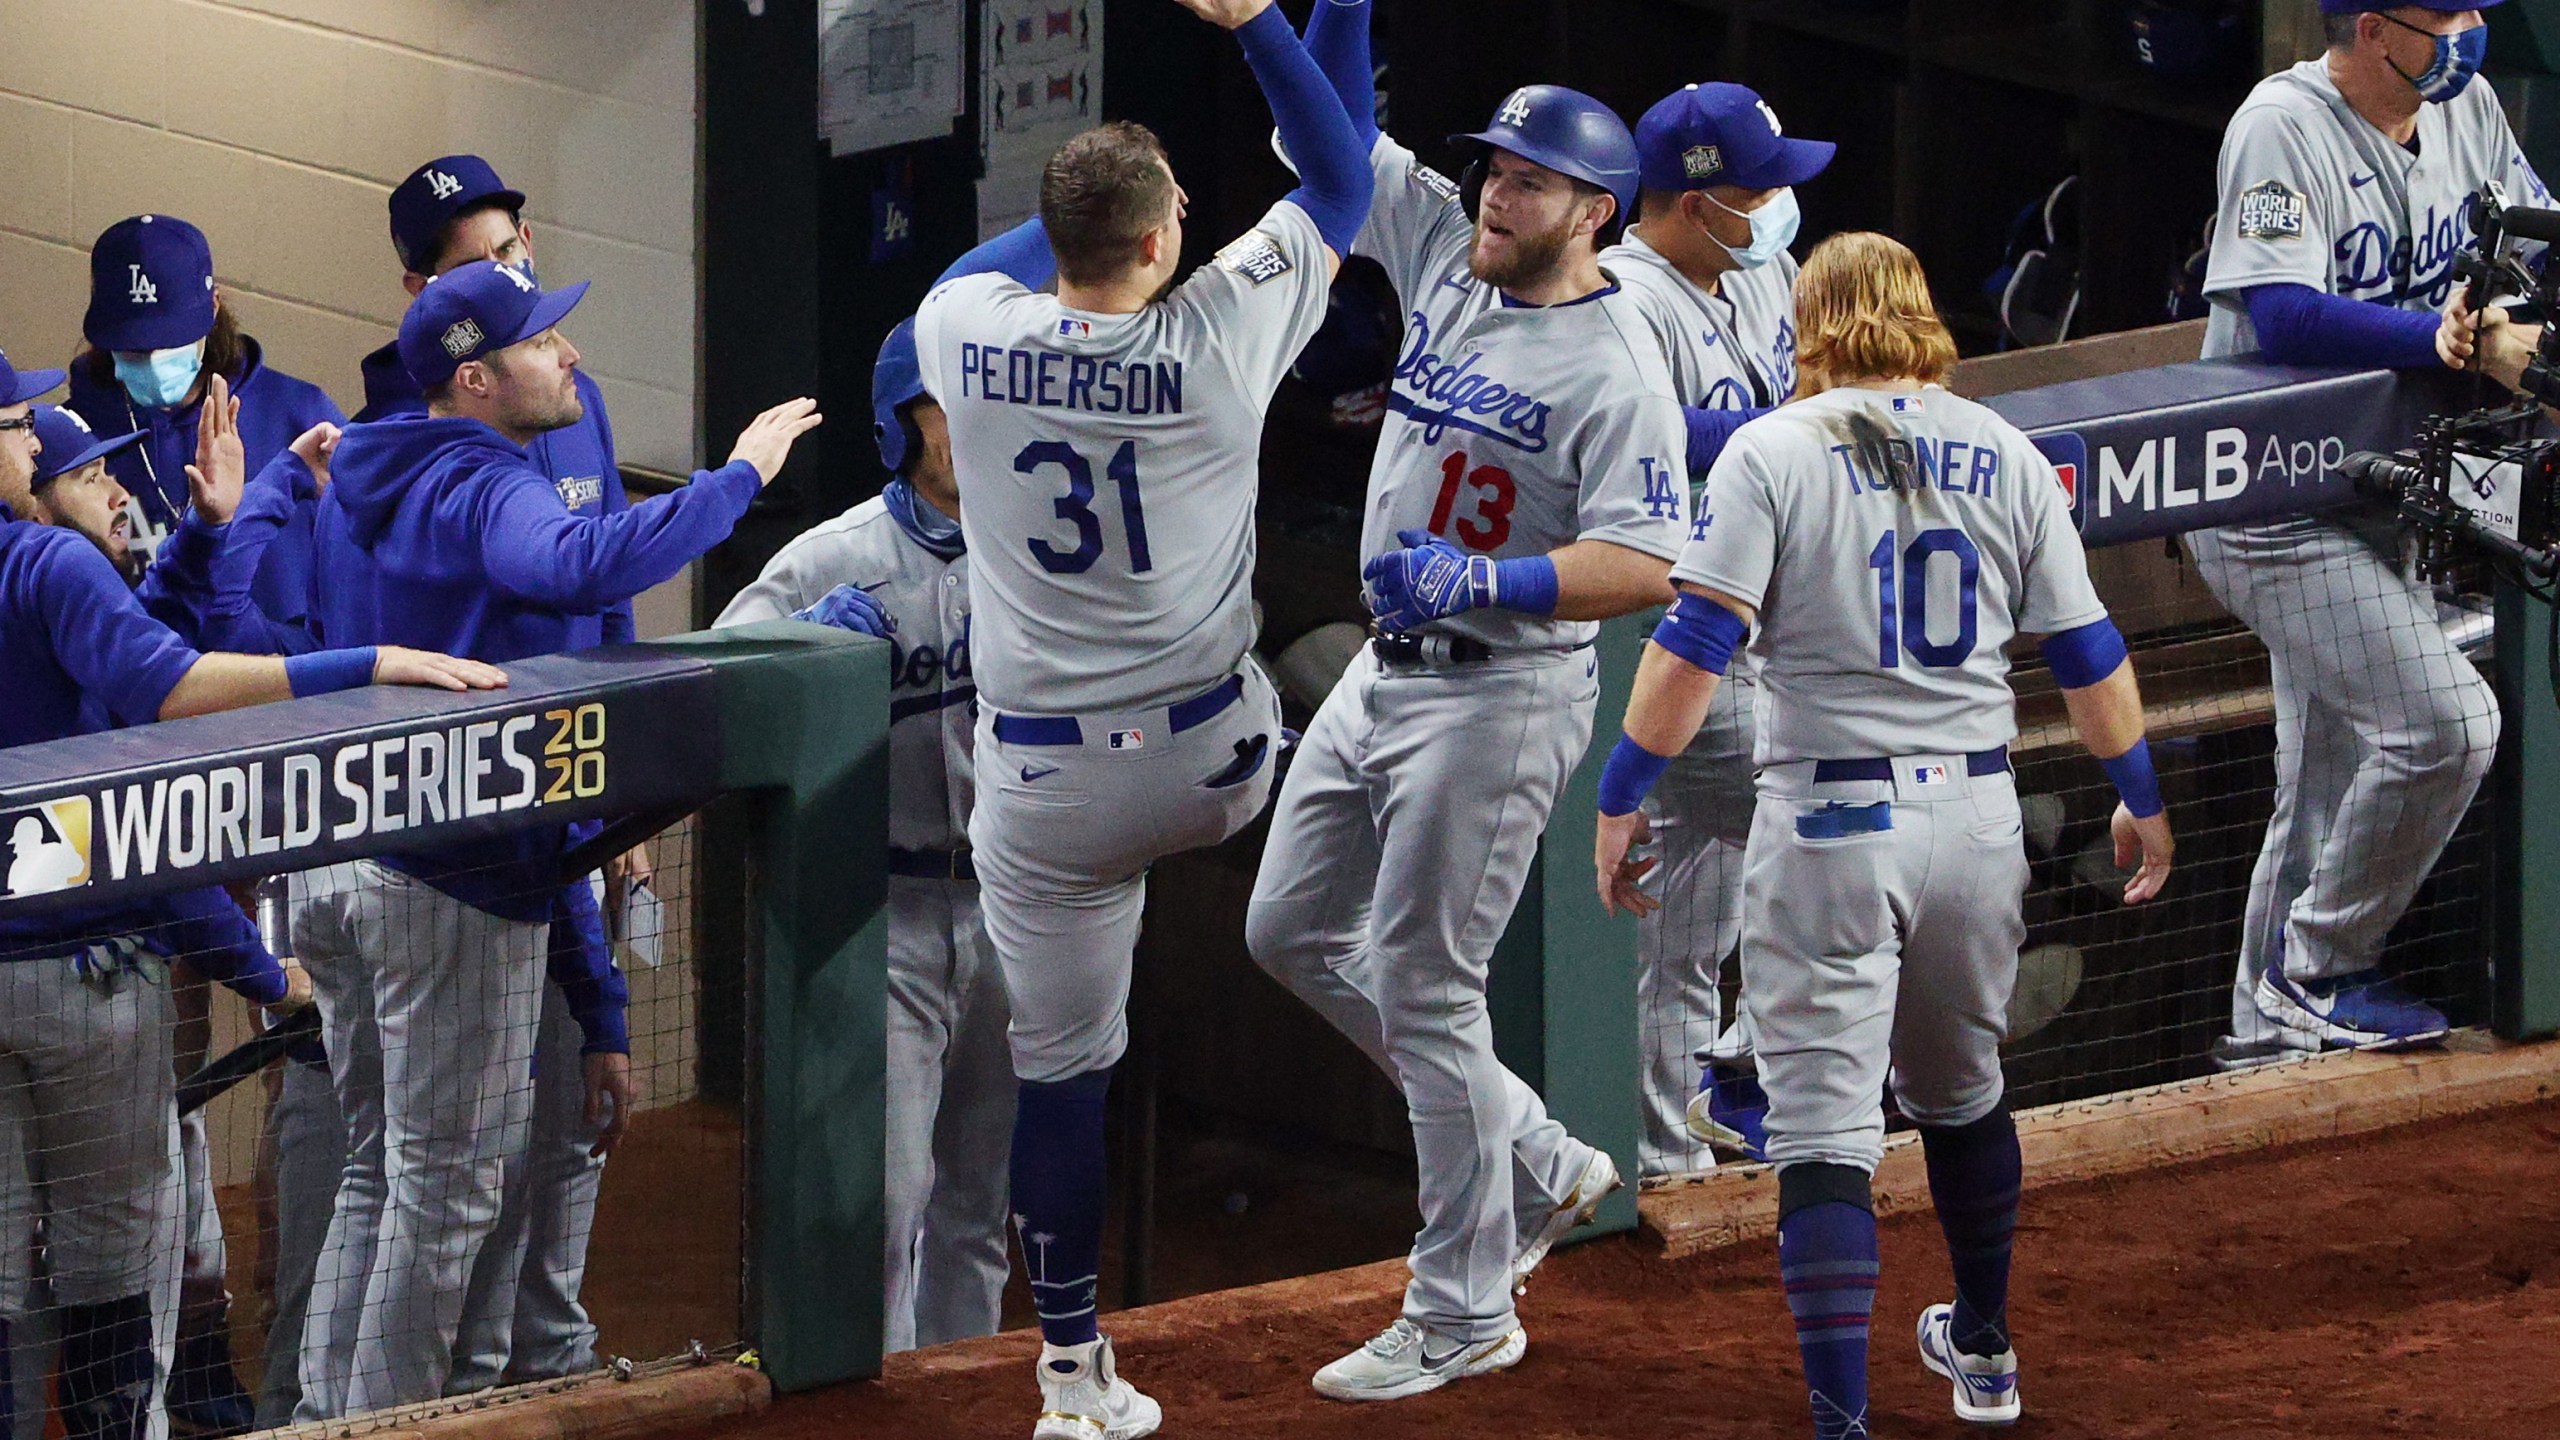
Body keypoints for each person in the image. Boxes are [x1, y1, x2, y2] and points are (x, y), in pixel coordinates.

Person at [1590, 233, 2175, 1439]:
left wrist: (1620, 789)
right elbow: (2087, 651)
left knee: (1820, 1134)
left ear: (1810, 323)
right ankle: (1986, 1348)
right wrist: (2140, 791)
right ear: (1922, 317)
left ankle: (1842, 1423)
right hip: (1975, 812)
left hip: (1828, 818)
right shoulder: (2006, 449)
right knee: (1962, 1094)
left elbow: (1694, 647)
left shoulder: (1771, 449)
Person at [913, 1, 1367, 1432]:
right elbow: (1340, 181)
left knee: (1062, 1085)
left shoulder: (961, 325)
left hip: (1042, 793)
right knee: (1351, 686)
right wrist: (1270, 21)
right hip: (1215, 764)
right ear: (1168, 236)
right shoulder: (1223, 333)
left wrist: (1093, 222)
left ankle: (1068, 1374)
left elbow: (1029, 260)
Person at [1243, 0, 1688, 1402]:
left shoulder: (1619, 368)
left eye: (1530, 181)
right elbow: (1331, 137)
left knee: (1430, 985)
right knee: (1289, 930)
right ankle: (1538, 1152)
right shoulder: (1447, 250)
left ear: (1596, 212)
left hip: (1502, 699)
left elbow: (1647, 563)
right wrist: (1309, 13)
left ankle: (1463, 1304)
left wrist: (1490, 579)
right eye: (1495, 168)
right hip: (1387, 674)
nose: (1498, 192)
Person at [285, 262, 818, 1418]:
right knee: (445, 1192)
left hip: (347, 849)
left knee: (380, 1169)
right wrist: (738, 479)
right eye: (543, 344)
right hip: (453, 877)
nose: (571, 356)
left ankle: (328, 1416)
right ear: (474, 380)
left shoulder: (366, 466)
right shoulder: (481, 480)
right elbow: (581, 561)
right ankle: (385, 1426)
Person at [0, 339, 504, 1440]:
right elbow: (159, 693)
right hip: (84, 979)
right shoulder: (43, 568)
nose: (36, 439)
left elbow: (135, 639)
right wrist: (363, 664)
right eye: (19, 433)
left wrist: (232, 518)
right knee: (110, 1267)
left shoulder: (55, 572)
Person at [2191, 1, 2536, 1065]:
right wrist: (2442, 340)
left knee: (2332, 768)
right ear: (2375, 31)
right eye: (2444, 15)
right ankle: (2316, 967)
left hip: (2389, 490)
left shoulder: (2465, 106)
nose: (2470, 30)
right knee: (2444, 726)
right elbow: (2282, 310)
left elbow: (2536, 237)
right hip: (2267, 499)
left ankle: (2271, 1015)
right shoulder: (2280, 123)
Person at [715, 320, 1011, 1352]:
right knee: (888, 1207)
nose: (971, 422)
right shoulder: (834, 559)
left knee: (981, 1211)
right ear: (902, 422)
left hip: (1017, 907)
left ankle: (966, 1405)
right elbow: (713, 684)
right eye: (944, 403)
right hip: (886, 915)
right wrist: (804, 650)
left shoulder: (1044, 544)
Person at [1603, 80, 1835, 1175]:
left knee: (1682, 937)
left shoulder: (1759, 266)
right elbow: (1650, 430)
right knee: (1850, 824)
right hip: (1666, 649)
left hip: (1754, 636)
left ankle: (1669, 1157)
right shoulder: (1618, 295)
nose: (1782, 208)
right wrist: (1791, 429)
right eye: (1760, 191)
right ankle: (1741, 1075)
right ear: (1695, 203)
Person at [65, 215, 344, 637]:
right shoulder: (77, 437)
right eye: (135, 349)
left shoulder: (299, 413)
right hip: (140, 675)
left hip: (281, 673)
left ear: (213, 308)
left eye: (169, 340)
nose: (155, 360)